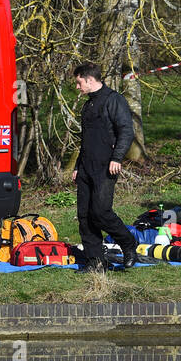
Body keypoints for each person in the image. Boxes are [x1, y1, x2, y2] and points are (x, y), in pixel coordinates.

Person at [70, 62, 137, 271]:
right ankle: (95, 261)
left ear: (90, 80)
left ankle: (128, 244)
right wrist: (77, 166)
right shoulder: (88, 104)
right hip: (85, 168)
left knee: (100, 212)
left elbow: (126, 131)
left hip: (106, 167)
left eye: (79, 83)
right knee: (85, 216)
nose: (78, 87)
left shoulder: (114, 100)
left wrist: (117, 158)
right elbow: (86, 139)